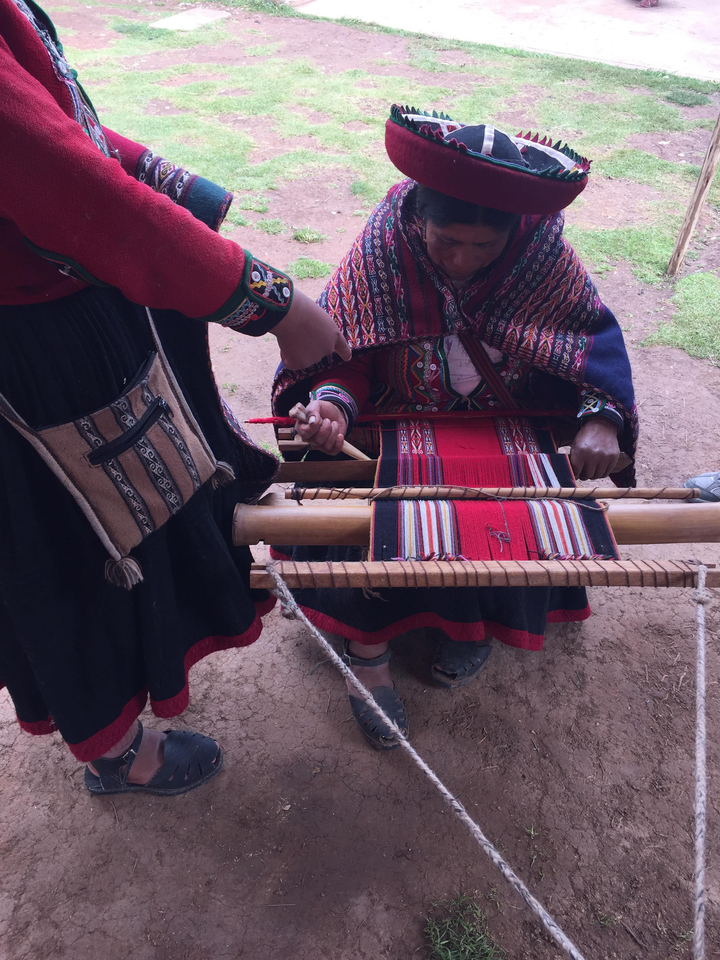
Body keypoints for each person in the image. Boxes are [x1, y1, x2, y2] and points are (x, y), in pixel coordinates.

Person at [0, 0, 350, 796]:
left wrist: (178, 191)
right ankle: (120, 752)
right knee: (80, 542)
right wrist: (274, 306)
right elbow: (68, 186)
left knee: (121, 515)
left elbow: (64, 134)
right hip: (29, 361)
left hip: (50, 329)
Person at [272, 107, 637, 750]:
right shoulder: (384, 248)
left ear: (513, 234)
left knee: (502, 514)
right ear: (419, 219)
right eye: (448, 242)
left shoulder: (541, 258)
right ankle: (368, 652)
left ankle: (468, 626)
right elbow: (346, 355)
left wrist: (601, 417)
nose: (463, 259)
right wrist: (332, 406)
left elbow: (588, 345)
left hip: (507, 426)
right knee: (375, 517)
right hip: (397, 422)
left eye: (483, 246)